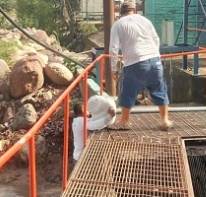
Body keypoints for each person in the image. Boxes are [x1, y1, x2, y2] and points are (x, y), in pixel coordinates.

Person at [109, 1, 173, 130]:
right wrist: (155, 56)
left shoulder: (118, 24)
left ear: (121, 12)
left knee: (127, 92)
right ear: (134, 10)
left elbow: (113, 49)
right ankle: (165, 120)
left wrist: (113, 69)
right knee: (160, 90)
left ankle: (123, 122)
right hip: (155, 60)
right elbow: (156, 39)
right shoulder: (145, 21)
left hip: (135, 62)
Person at [72, 95, 116, 162]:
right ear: (83, 110)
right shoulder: (81, 121)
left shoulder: (77, 121)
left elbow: (92, 120)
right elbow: (93, 125)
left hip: (78, 156)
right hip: (81, 157)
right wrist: (109, 116)